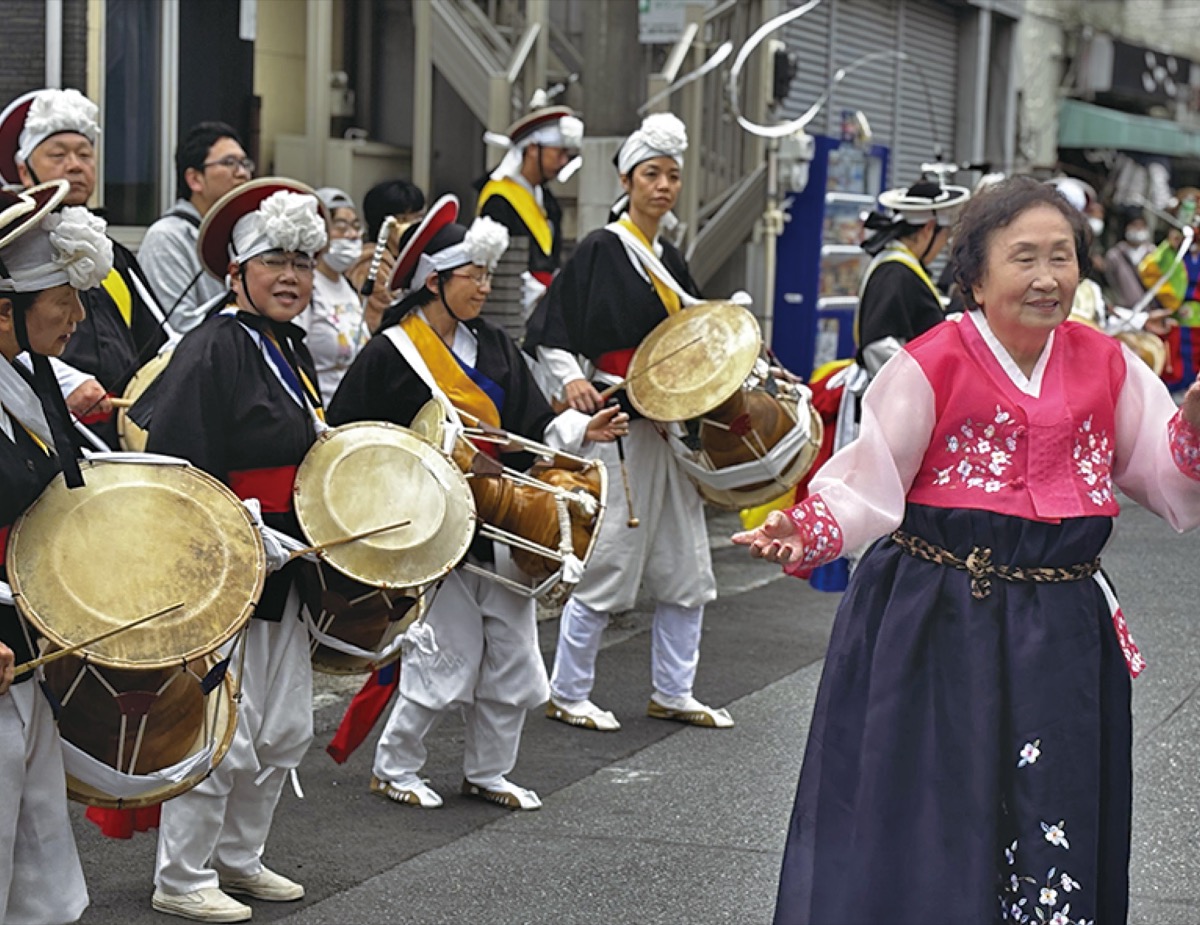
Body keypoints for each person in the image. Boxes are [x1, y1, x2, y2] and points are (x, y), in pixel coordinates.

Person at [733, 176, 1200, 924]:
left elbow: (1167, 475)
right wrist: (807, 527)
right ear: (976, 276)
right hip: (937, 618)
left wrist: (1195, 424)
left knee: (1053, 807)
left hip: (1062, 629)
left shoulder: (1107, 363)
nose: (1047, 277)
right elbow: (868, 479)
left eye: (1062, 256)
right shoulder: (932, 361)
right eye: (1025, 257)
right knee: (929, 813)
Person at [327, 195, 627, 811]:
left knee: (515, 656)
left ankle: (489, 771)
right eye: (474, 275)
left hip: (499, 519)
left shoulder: (493, 344)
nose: (486, 287)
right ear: (434, 280)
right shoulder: (390, 353)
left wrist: (581, 431)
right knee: (447, 651)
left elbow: (532, 425)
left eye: (489, 275)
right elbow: (348, 439)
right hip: (431, 526)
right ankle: (395, 766)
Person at [145, 178, 328, 923]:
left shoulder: (286, 346)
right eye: (273, 261)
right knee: (223, 726)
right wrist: (240, 534)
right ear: (236, 272)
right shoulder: (212, 345)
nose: (290, 276)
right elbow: (178, 469)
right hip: (229, 564)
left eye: (302, 262)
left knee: (284, 725)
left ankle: (240, 857)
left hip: (290, 560)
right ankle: (182, 873)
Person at [527, 112, 732, 733]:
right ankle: (568, 691)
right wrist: (571, 380)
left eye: (672, 175)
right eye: (651, 174)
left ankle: (674, 689)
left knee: (686, 562)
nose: (663, 186)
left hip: (671, 426)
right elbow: (550, 327)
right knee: (610, 557)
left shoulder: (671, 255)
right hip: (621, 421)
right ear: (626, 179)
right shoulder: (602, 247)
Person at [0, 177, 114, 925]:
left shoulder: (28, 375)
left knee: (37, 838)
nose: (77, 317)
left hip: (28, 632)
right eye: (64, 300)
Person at [0, 87, 174, 449]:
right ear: (24, 169)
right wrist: (64, 379)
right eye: (58, 154)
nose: (75, 165)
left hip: (116, 428)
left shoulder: (115, 255)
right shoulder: (9, 248)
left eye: (84, 154)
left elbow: (159, 339)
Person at [138, 121, 254, 333]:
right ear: (195, 179)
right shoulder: (167, 238)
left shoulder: (245, 237)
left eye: (245, 163)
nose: (242, 173)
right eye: (229, 162)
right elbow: (179, 328)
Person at [295, 187, 367, 404]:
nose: (352, 235)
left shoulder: (349, 287)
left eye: (356, 226)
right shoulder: (307, 287)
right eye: (341, 227)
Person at [347, 178, 426, 335]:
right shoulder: (371, 265)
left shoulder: (414, 257)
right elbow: (379, 322)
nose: (414, 226)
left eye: (418, 218)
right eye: (403, 219)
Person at [1104, 212, 1154, 309]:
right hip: (1123, 310)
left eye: (1142, 226)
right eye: (1134, 225)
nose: (1138, 229)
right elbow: (1110, 282)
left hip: (1150, 310)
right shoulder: (1114, 255)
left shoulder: (1153, 253)